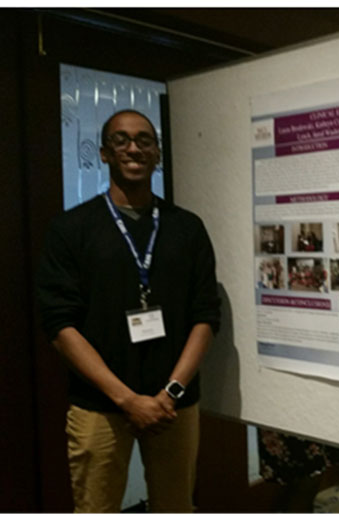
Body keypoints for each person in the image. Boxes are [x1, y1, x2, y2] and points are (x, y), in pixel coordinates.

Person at [36, 110, 220, 513]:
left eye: (144, 140)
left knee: (176, 507)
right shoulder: (71, 229)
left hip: (174, 404)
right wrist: (127, 399)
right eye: (121, 140)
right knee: (95, 508)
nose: (134, 148)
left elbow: (206, 316)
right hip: (98, 405)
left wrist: (169, 392)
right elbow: (58, 324)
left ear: (157, 154)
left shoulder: (187, 228)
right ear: (104, 153)